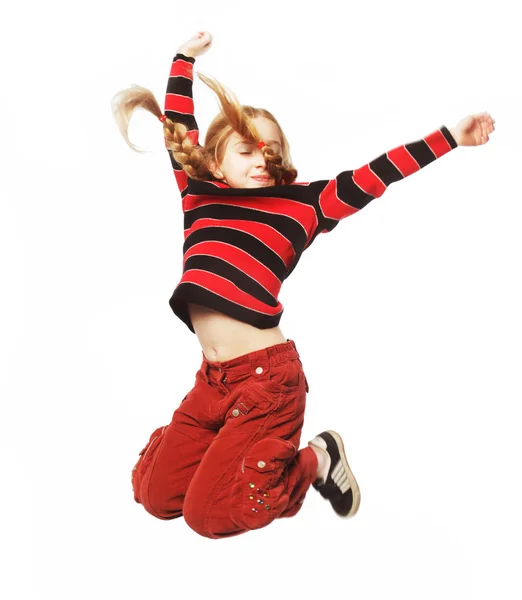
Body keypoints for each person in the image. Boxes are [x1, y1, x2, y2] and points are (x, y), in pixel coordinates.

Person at [111, 31, 495, 539]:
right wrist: (183, 60)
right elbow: (179, 126)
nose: (259, 160)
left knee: (213, 516)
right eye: (245, 150)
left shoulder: (301, 205)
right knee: (156, 497)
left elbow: (375, 175)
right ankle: (225, 455)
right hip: (213, 383)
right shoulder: (197, 195)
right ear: (214, 159)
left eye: (269, 152)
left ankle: (315, 458)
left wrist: (449, 136)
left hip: (267, 382)